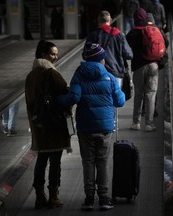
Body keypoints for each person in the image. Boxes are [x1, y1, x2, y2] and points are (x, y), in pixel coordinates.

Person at [57, 42, 125, 210]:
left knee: (88, 161)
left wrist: (57, 101)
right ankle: (103, 198)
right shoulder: (109, 77)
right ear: (101, 59)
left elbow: (73, 97)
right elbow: (120, 101)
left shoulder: (79, 74)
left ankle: (88, 198)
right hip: (105, 127)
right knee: (102, 161)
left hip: (85, 126)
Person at [25, 40, 71, 209]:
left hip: (38, 125)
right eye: (52, 53)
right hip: (53, 124)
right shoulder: (50, 73)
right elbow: (66, 92)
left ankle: (39, 196)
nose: (55, 57)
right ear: (43, 54)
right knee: (55, 161)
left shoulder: (31, 75)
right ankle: (53, 196)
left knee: (41, 160)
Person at [126, 7, 162, 132]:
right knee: (150, 95)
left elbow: (126, 50)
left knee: (139, 95)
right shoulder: (153, 30)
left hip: (139, 67)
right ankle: (149, 124)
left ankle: (136, 123)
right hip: (153, 65)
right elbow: (165, 42)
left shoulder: (132, 33)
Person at [86, 10, 133, 88]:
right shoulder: (119, 35)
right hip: (116, 72)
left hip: (98, 72)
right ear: (110, 20)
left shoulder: (93, 35)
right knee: (115, 97)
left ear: (99, 21)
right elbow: (129, 55)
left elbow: (85, 55)